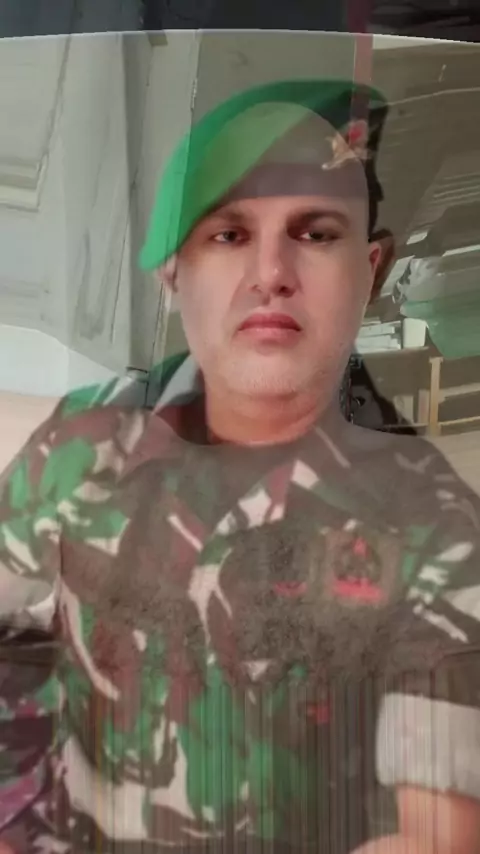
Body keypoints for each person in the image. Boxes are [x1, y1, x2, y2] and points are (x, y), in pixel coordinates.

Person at [0, 78, 480, 854]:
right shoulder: (80, 451)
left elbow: (435, 832)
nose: (271, 272)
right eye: (228, 235)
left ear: (372, 268)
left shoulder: (428, 519)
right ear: (173, 271)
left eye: (315, 233)